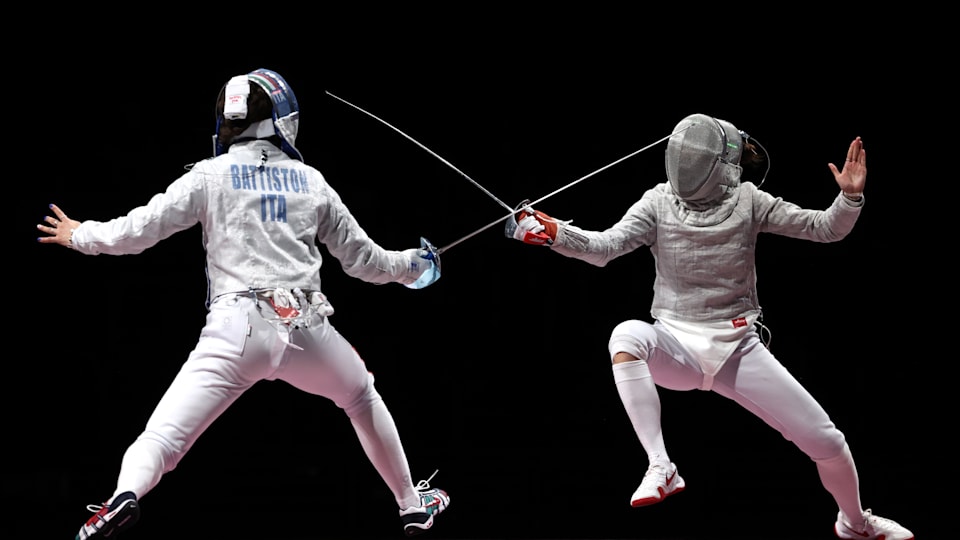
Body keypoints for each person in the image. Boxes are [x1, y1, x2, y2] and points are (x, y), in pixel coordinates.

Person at [38, 68, 449, 540]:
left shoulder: (207, 177)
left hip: (235, 329)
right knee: (359, 396)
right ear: (281, 118)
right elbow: (366, 262)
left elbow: (134, 232)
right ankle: (411, 506)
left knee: (163, 439)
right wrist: (416, 265)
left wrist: (80, 235)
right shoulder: (311, 182)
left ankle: (122, 497)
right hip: (306, 327)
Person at [506, 113, 912, 539]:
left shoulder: (750, 201)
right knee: (626, 335)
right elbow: (605, 247)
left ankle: (854, 522)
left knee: (828, 443)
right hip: (674, 346)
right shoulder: (657, 202)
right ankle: (662, 466)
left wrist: (848, 199)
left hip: (737, 348)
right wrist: (555, 234)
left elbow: (825, 229)